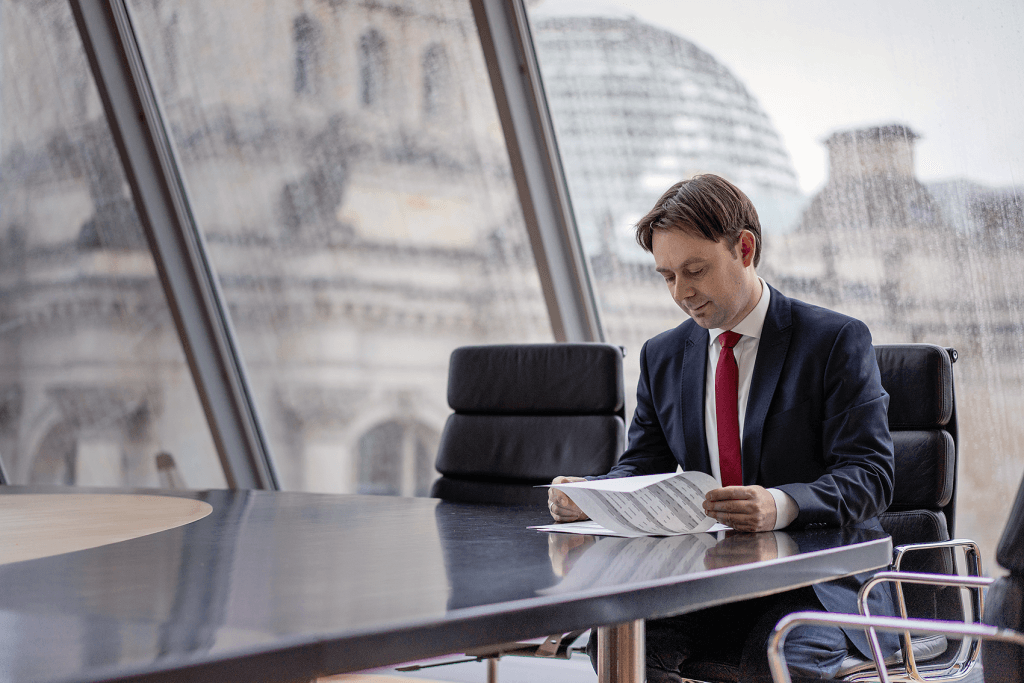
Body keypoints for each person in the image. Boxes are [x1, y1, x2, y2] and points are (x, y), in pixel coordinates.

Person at [547, 174, 898, 681]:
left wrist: (778, 504)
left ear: (745, 249)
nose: (682, 293)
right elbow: (641, 467)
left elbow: (871, 476)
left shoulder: (834, 341)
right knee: (619, 644)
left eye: (695, 270)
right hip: (703, 582)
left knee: (776, 660)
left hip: (816, 586)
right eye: (667, 276)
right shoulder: (663, 356)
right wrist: (593, 495)